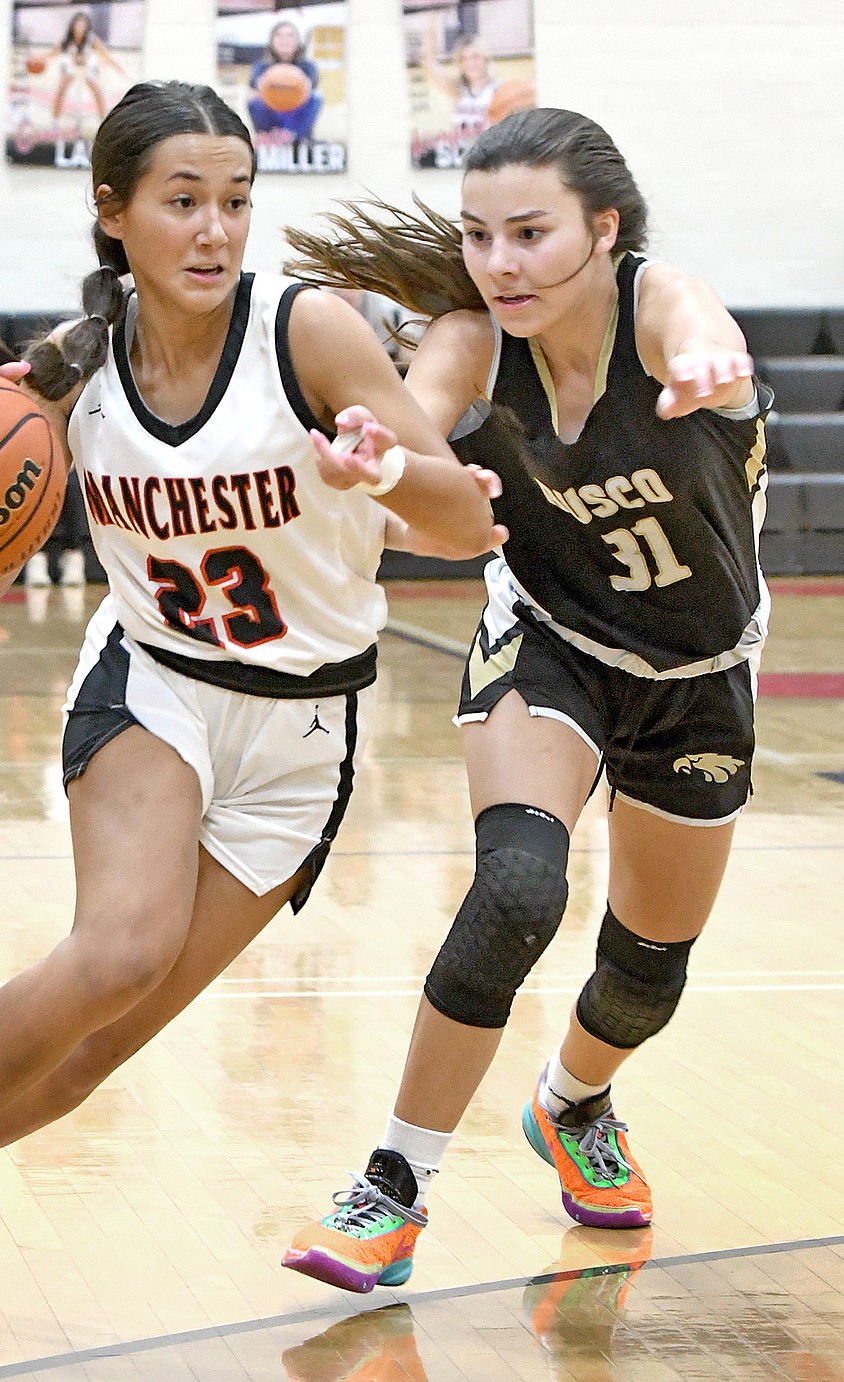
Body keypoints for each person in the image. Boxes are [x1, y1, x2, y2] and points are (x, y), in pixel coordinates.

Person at [0, 79, 503, 1321]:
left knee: (88, 1060)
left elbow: (464, 515)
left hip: (303, 733)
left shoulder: (310, 331)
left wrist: (380, 465)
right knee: (117, 947)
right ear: (113, 212)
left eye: (234, 200)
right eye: (183, 202)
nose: (216, 230)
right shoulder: (72, 367)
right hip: (157, 682)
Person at [280, 106, 772, 1292]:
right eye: (480, 236)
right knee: (514, 888)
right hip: (548, 640)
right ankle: (390, 1186)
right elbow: (422, 452)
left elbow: (697, 326)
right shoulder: (468, 338)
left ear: (602, 229)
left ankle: (573, 1101)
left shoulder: (661, 305)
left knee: (646, 968)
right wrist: (378, 454)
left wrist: (713, 365)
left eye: (530, 233)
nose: (499, 263)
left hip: (698, 674)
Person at [421, 17, 499, 143]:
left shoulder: (498, 90)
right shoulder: (458, 89)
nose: (470, 63)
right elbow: (429, 63)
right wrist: (432, 16)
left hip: (487, 157)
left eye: (475, 56)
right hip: (461, 158)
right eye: (464, 58)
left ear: (485, 59)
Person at [246, 20, 323, 144]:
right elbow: (255, 87)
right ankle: (269, 134)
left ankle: (293, 135)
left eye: (290, 35)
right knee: (252, 97)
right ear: (272, 41)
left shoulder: (308, 66)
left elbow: (311, 85)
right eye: (279, 35)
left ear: (298, 41)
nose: (284, 40)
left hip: (295, 113)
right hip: (272, 111)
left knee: (316, 96)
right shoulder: (261, 66)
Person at [51, 10, 129, 124]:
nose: (80, 27)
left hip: (87, 67)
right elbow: (52, 53)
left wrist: (119, 68)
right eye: (77, 24)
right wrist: (40, 58)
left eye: (82, 24)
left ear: (87, 26)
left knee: (97, 91)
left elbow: (106, 56)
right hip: (71, 67)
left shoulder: (92, 39)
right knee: (61, 89)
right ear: (73, 25)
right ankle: (55, 121)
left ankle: (103, 121)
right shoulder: (67, 40)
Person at [23, 468, 89, 587]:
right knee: (41, 485)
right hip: (37, 464)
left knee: (74, 484)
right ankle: (37, 556)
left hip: (72, 466)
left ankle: (73, 553)